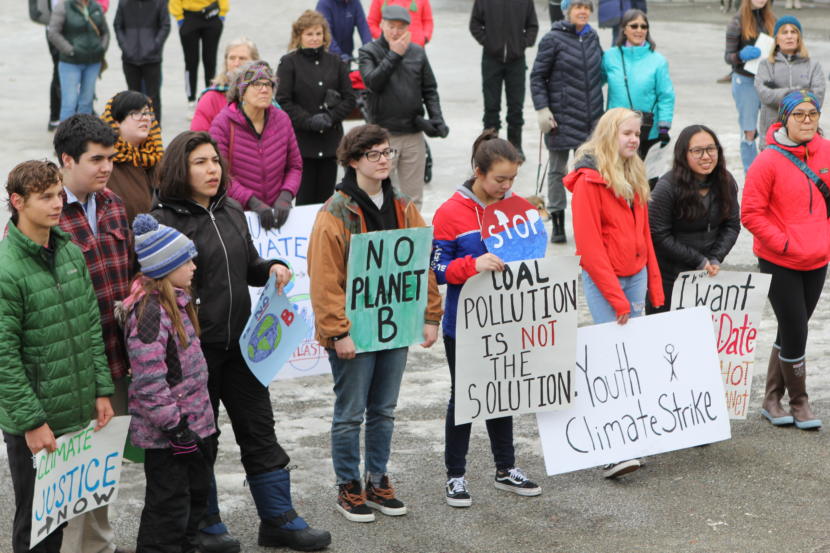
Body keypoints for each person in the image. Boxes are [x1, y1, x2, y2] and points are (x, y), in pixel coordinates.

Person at [152, 130, 331, 552]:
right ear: (181, 167)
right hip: (195, 352)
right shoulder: (164, 220)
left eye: (214, 160)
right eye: (200, 162)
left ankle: (279, 520)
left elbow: (249, 264)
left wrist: (273, 267)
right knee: (202, 439)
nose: (212, 169)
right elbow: (157, 288)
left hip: (243, 348)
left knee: (259, 432)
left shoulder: (231, 208)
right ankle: (204, 525)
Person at [307, 124, 443, 522]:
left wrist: (431, 314)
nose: (384, 160)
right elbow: (325, 278)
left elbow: (422, 262)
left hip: (394, 325)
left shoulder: (403, 205)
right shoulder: (335, 212)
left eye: (387, 153)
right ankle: (348, 485)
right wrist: (338, 332)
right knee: (350, 412)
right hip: (354, 330)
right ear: (353, 161)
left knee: (384, 408)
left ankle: (378, 478)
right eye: (375, 154)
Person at [0, 159, 114, 553]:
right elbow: (4, 359)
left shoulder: (70, 253)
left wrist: (101, 390)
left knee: (62, 517)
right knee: (36, 526)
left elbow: (89, 326)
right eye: (45, 197)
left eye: (59, 195)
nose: (57, 204)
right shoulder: (6, 269)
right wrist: (32, 422)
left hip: (75, 410)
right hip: (35, 421)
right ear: (17, 201)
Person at [431, 129, 542, 508]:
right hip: (463, 324)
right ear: (478, 171)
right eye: (499, 179)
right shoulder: (450, 212)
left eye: (512, 179)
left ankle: (505, 468)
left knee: (503, 393)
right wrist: (472, 264)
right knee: (464, 396)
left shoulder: (516, 205)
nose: (506, 187)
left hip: (506, 319)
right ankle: (455, 476)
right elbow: (437, 270)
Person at [564, 108, 664, 478]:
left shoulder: (633, 172)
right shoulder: (588, 182)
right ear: (609, 134)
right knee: (609, 363)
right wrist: (618, 299)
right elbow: (589, 250)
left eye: (637, 133)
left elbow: (644, 237)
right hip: (606, 280)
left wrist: (653, 284)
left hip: (635, 276)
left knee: (631, 360)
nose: (634, 139)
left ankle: (629, 436)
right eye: (627, 133)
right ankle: (609, 449)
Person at [53, 114, 134, 553]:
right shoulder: (44, 211)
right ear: (67, 160)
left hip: (115, 360)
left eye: (110, 159)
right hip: (70, 368)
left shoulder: (114, 204)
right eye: (96, 159)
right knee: (67, 471)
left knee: (102, 467)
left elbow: (130, 273)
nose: (106, 168)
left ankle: (99, 547)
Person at [123, 214, 215, 553]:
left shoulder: (176, 303)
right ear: (166, 266)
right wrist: (175, 428)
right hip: (170, 438)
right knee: (168, 509)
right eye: (186, 260)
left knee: (194, 501)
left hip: (195, 427)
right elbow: (149, 381)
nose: (193, 266)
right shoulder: (149, 312)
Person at [741, 90, 830, 430]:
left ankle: (770, 399)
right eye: (799, 115)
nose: (807, 120)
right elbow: (751, 213)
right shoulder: (768, 160)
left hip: (817, 257)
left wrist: (824, 239)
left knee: (792, 327)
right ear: (784, 119)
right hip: (780, 259)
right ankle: (799, 401)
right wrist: (785, 244)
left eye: (812, 113)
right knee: (796, 327)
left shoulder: (826, 151)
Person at [358, 5, 447, 209]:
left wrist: (437, 119)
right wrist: (394, 55)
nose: (395, 32)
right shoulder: (368, 52)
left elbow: (430, 90)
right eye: (391, 26)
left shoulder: (417, 52)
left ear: (408, 28)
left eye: (401, 27)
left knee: (413, 198)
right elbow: (373, 83)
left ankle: (412, 237)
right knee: (378, 195)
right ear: (381, 24)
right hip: (383, 134)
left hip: (413, 132)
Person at [647, 125, 741, 312]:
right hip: (669, 277)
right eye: (697, 151)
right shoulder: (666, 187)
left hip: (706, 277)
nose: (706, 156)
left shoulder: (726, 181)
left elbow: (731, 225)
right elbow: (658, 233)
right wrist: (698, 260)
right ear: (683, 154)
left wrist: (715, 257)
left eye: (711, 149)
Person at [531, 0, 603, 243]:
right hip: (561, 117)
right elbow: (538, 76)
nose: (582, 11)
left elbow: (601, 71)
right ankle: (558, 221)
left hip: (591, 118)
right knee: (557, 171)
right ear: (567, 11)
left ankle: (587, 221)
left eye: (586, 6)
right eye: (577, 6)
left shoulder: (592, 37)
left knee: (589, 172)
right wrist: (542, 108)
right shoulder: (552, 39)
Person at [277, 10, 357, 206]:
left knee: (326, 202)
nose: (314, 38)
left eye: (318, 34)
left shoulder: (336, 62)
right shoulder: (289, 63)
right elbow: (283, 100)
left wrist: (331, 116)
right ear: (299, 36)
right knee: (304, 202)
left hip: (330, 144)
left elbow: (350, 98)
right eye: (309, 34)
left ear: (324, 36)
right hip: (302, 145)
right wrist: (308, 120)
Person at [210, 60, 301, 230]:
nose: (265, 89)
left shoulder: (282, 119)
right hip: (236, 216)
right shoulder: (222, 124)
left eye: (268, 84)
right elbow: (220, 174)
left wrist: (286, 195)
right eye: (256, 84)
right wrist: (252, 202)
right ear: (241, 92)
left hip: (277, 216)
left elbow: (295, 166)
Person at [602, 9, 674, 163]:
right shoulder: (609, 57)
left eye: (644, 26)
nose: (639, 30)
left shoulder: (658, 61)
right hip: (616, 129)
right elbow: (593, 83)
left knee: (646, 181)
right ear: (624, 29)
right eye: (634, 26)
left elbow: (666, 96)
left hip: (647, 130)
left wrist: (664, 127)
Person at [470, 0, 538, 156]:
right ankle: (488, 146)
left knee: (516, 106)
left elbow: (532, 25)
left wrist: (523, 43)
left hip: (516, 60)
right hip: (491, 59)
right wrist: (488, 43)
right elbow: (474, 24)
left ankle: (515, 146)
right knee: (491, 105)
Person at [755, 16, 825, 149]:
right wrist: (798, 93)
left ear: (799, 38)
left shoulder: (813, 66)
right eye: (784, 32)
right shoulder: (766, 65)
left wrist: (779, 93)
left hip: (805, 133)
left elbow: (817, 98)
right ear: (776, 38)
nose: (789, 36)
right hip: (772, 132)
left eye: (793, 32)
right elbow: (764, 94)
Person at [724, 0, 775, 173]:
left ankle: (770, 172)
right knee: (749, 130)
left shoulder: (771, 19)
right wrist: (740, 55)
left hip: (768, 80)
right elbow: (728, 56)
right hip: (745, 81)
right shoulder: (737, 21)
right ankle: (751, 173)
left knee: (771, 129)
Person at [102, 90, 165, 223]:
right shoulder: (106, 163)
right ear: (116, 121)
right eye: (135, 113)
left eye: (148, 113)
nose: (145, 118)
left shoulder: (158, 158)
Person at [47, 0, 109, 122]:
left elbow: (105, 32)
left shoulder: (96, 7)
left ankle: (85, 136)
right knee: (69, 103)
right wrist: (70, 50)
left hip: (93, 61)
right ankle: (66, 137)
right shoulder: (63, 6)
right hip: (70, 63)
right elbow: (53, 32)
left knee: (86, 102)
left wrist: (101, 48)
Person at [113, 0, 170, 125]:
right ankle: (135, 127)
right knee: (132, 96)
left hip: (152, 59)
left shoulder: (159, 3)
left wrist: (154, 46)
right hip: (130, 59)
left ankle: (154, 128)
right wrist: (125, 47)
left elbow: (165, 25)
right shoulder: (124, 3)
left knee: (153, 97)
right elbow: (117, 25)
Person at [191, 37, 260, 132]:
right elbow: (198, 135)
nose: (236, 63)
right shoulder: (211, 97)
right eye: (232, 58)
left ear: (255, 63)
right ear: (226, 62)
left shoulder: (264, 92)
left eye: (242, 58)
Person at [169, 0, 229, 110]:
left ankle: (211, 96)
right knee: (191, 62)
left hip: (211, 15)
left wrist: (222, 14)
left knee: (210, 61)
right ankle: (191, 99)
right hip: (189, 16)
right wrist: (179, 17)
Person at [28, 0, 62, 130]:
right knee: (60, 72)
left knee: (62, 71)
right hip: (57, 31)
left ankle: (56, 116)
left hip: (64, 29)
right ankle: (55, 117)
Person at [367, 0, 433, 46]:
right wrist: (384, 38)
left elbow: (427, 21)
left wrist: (425, 38)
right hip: (388, 47)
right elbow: (371, 23)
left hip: (417, 44)